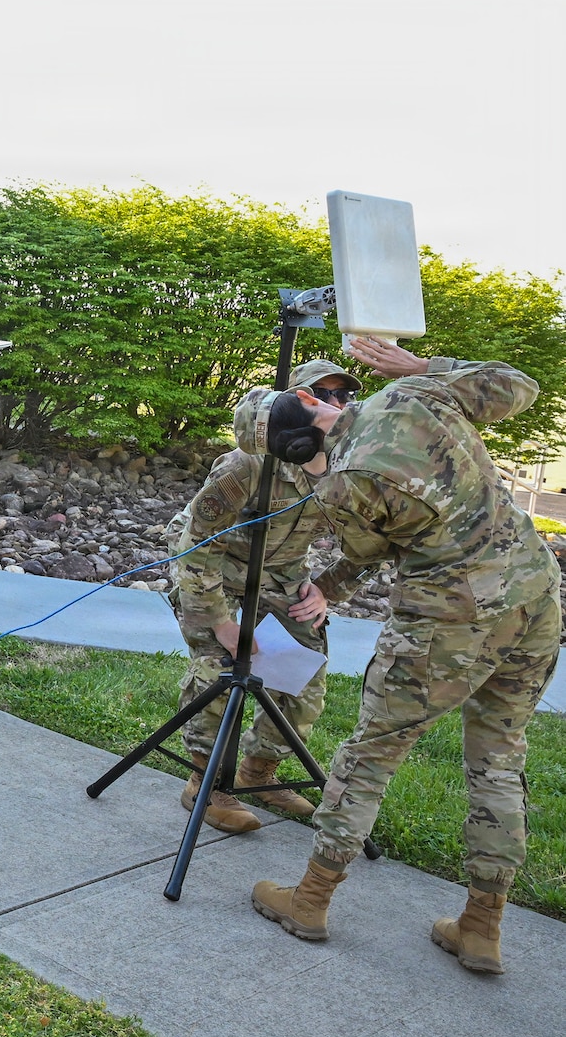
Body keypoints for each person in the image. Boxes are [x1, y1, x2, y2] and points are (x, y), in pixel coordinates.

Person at [238, 336, 561, 975]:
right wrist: (426, 365)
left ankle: (309, 901)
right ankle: (481, 926)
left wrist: (330, 571)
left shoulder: (342, 485)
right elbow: (518, 384)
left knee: (371, 751)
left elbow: (371, 547)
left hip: (447, 616)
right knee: (499, 757)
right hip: (535, 595)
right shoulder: (414, 392)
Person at [167, 360, 372, 833]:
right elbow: (194, 542)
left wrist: (325, 589)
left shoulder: (351, 469)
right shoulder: (250, 461)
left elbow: (372, 546)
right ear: (298, 402)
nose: (337, 405)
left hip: (280, 575)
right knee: (221, 667)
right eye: (324, 394)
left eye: (344, 397)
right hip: (213, 569)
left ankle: (258, 774)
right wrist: (219, 621)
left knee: (302, 673)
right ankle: (205, 782)